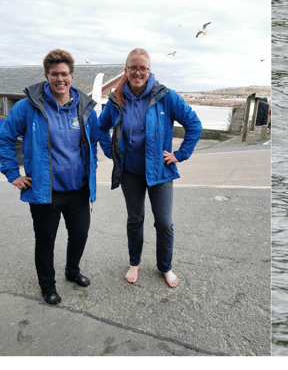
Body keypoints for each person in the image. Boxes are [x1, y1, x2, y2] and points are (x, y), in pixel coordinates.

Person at [0, 49, 99, 305]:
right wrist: (13, 173)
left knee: (80, 234)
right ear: (46, 76)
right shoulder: (27, 107)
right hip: (45, 190)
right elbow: (5, 138)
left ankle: (72, 271)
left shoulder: (85, 108)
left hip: (78, 189)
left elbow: (97, 141)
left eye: (64, 74)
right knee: (46, 241)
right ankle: (48, 285)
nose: (60, 79)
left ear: (72, 76)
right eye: (54, 74)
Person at [98, 48, 201, 288]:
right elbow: (100, 128)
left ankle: (165, 266)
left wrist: (180, 154)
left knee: (164, 222)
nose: (138, 72)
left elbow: (194, 124)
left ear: (149, 70)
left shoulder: (166, 96)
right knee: (135, 218)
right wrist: (111, 152)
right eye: (133, 67)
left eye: (142, 68)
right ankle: (134, 262)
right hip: (130, 173)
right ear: (126, 70)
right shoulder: (117, 98)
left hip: (161, 172)